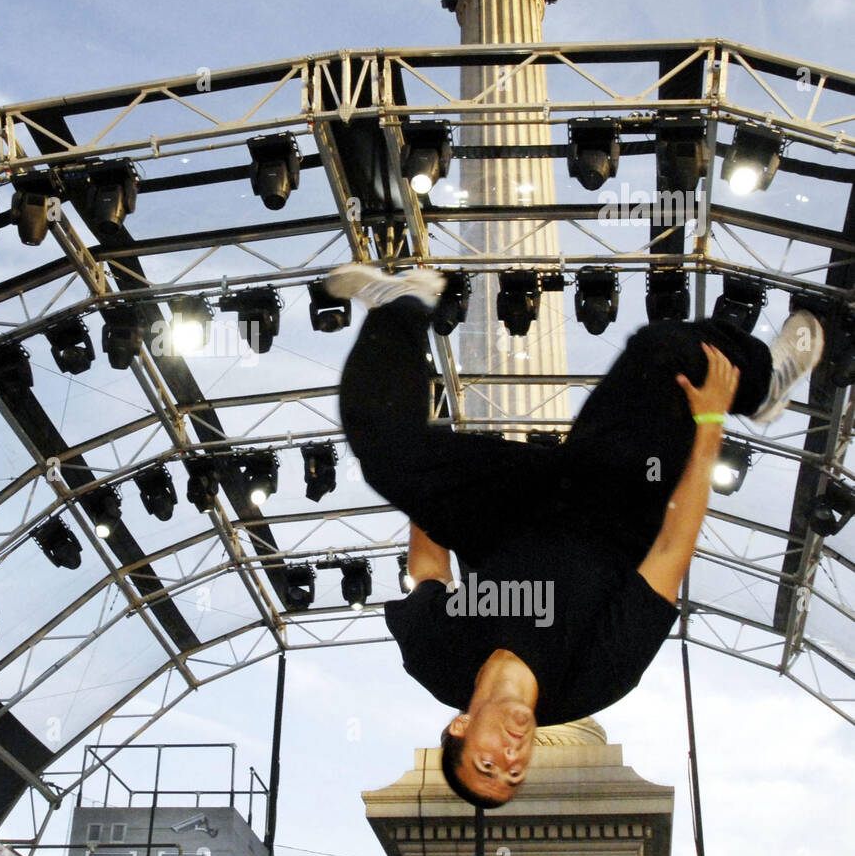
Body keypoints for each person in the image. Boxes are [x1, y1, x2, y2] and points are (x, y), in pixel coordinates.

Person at [329, 263, 825, 809]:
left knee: (386, 457)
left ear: (460, 727)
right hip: (612, 504)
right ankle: (764, 382)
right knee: (663, 350)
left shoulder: (436, 660)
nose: (511, 758)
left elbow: (430, 570)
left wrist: (428, 481)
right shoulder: (595, 679)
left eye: (488, 762)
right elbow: (670, 555)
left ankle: (401, 306)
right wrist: (709, 426)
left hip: (509, 510)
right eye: (515, 775)